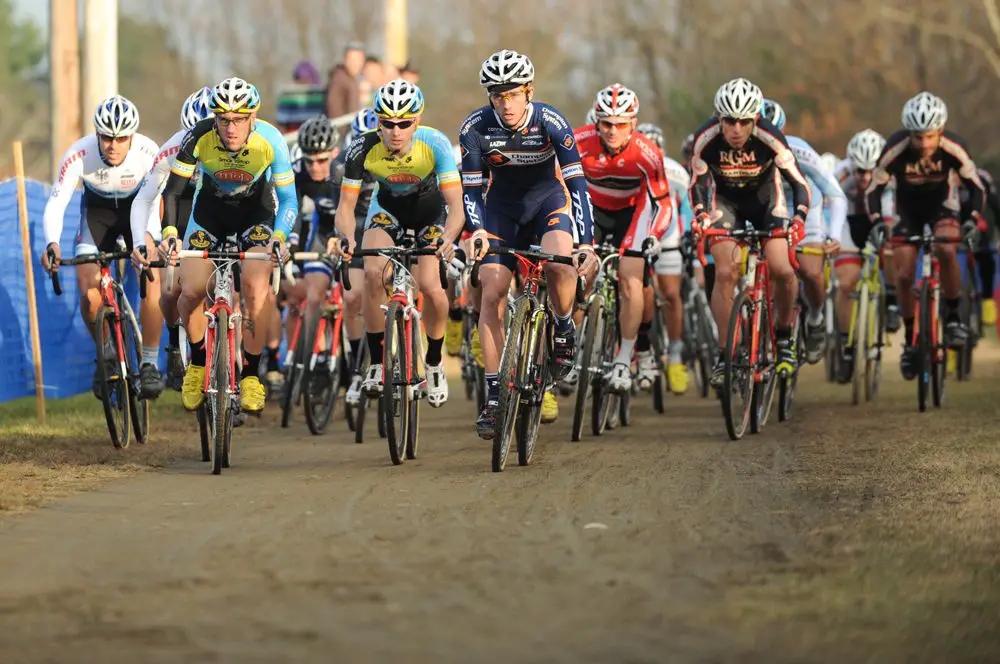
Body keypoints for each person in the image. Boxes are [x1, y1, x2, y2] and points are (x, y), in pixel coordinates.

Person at [459, 49, 598, 436]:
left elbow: (577, 186)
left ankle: (565, 324)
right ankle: (493, 397)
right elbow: (470, 192)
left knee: (559, 263)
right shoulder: (475, 127)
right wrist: (479, 232)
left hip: (547, 203)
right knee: (492, 291)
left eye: (514, 94)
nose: (506, 103)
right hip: (501, 211)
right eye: (498, 95)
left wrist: (586, 242)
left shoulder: (551, 121)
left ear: (529, 91)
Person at [159, 77, 298, 414]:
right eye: (223, 120)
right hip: (210, 214)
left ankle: (251, 373)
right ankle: (198, 362)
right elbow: (174, 192)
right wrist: (170, 233)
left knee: (254, 287)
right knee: (189, 289)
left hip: (256, 215)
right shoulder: (199, 136)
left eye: (238, 119)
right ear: (215, 119)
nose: (231, 128)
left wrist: (279, 238)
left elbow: (289, 199)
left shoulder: (271, 140)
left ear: (252, 118)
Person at [334, 80, 465, 409]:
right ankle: (377, 363)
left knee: (431, 286)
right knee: (373, 272)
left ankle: (434, 362)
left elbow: (457, 206)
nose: (395, 131)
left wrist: (448, 239)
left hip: (430, 216)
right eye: (388, 123)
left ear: (416, 121)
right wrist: (347, 238)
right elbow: (347, 208)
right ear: (378, 121)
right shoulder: (362, 148)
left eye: (404, 123)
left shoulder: (434, 143)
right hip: (387, 212)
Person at [689, 78, 811, 385]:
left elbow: (799, 184)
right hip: (726, 202)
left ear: (755, 119)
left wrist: (798, 218)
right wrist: (702, 215)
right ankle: (725, 353)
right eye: (729, 121)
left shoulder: (771, 136)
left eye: (744, 122)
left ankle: (784, 339)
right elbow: (698, 185)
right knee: (725, 271)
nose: (736, 130)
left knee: (782, 268)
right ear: (719, 118)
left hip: (766, 201)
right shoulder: (705, 138)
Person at [41, 95, 164, 399]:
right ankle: (106, 353)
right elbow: (57, 203)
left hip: (139, 210)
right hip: (97, 216)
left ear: (132, 136)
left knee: (151, 277)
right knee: (89, 289)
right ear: (97, 134)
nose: (113, 145)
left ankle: (148, 363)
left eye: (121, 138)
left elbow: (156, 202)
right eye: (107, 137)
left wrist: (149, 239)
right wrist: (52, 242)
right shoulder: (78, 154)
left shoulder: (149, 153)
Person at [865, 91, 987, 380]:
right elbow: (874, 189)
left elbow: (978, 188)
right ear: (908, 134)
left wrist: (971, 220)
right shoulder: (894, 148)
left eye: (930, 136)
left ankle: (955, 316)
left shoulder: (954, 147)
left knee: (946, 250)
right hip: (907, 211)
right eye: (917, 137)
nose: (924, 144)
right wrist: (877, 221)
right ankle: (911, 339)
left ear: (940, 132)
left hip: (943, 207)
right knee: (905, 273)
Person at [574, 85, 682, 395]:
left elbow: (662, 203)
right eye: (606, 123)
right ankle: (572, 344)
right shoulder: (580, 142)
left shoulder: (647, 152)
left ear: (633, 123)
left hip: (634, 214)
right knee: (577, 273)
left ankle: (624, 359)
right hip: (592, 212)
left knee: (631, 279)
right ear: (596, 121)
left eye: (621, 124)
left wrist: (653, 236)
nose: (612, 131)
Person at [128, 86, 214, 391]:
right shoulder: (174, 147)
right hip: (180, 214)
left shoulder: (237, 143)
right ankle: (176, 338)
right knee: (169, 291)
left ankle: (235, 372)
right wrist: (144, 241)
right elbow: (145, 200)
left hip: (218, 213)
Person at [761, 99, 847, 364]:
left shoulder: (801, 151)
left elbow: (835, 194)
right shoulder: (744, 150)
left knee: (810, 271)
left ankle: (815, 317)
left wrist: (833, 234)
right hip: (769, 210)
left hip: (806, 210)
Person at [637, 121, 697, 394]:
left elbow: (686, 208)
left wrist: (687, 236)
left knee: (672, 294)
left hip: (668, 236)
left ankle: (674, 356)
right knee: (635, 293)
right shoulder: (630, 165)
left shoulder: (674, 171)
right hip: (637, 235)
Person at [831, 129, 895, 382]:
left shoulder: (890, 172)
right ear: (851, 165)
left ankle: (890, 302)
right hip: (849, 221)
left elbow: (893, 211)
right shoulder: (840, 173)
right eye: (860, 171)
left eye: (871, 171)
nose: (866, 177)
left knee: (891, 248)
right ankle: (847, 347)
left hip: (879, 217)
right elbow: (829, 204)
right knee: (846, 283)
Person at [276, 60, 327, 133]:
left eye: (306, 79)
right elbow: (281, 122)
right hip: (293, 137)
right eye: (299, 79)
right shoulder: (287, 96)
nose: (302, 82)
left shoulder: (321, 95)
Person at [326, 43, 365, 118]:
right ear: (345, 60)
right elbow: (335, 113)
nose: (355, 64)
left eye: (358, 60)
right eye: (352, 60)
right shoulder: (339, 80)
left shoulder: (356, 79)